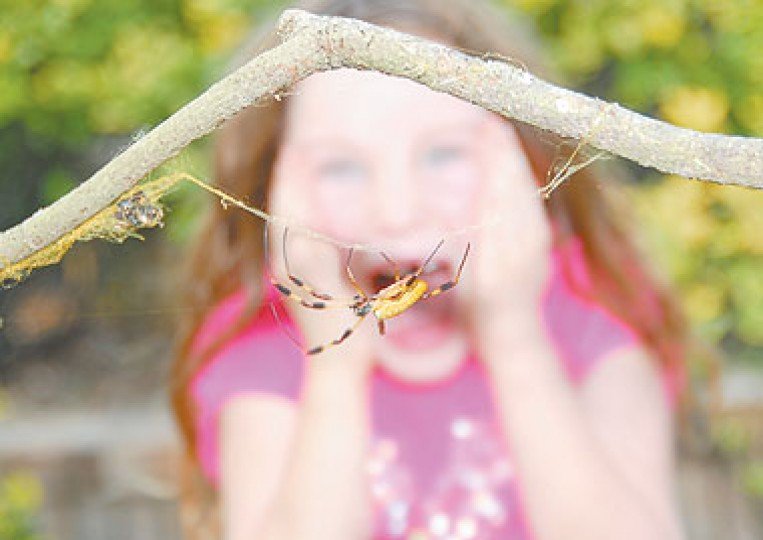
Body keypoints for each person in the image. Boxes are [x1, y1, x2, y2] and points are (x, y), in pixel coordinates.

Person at [172, 1, 689, 538]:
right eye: (340, 165)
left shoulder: (598, 304)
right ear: (272, 187)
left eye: (444, 154)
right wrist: (335, 370)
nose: (397, 210)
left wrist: (515, 338)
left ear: (525, 157)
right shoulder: (264, 340)